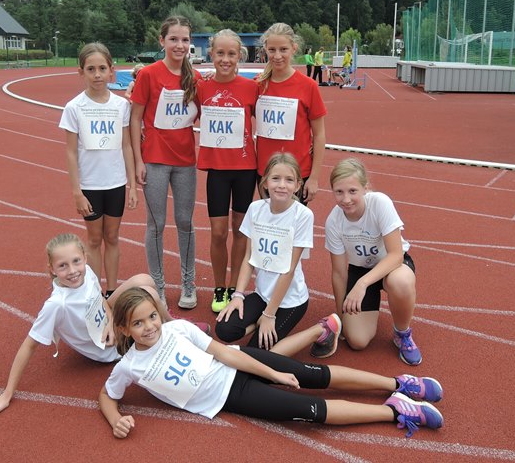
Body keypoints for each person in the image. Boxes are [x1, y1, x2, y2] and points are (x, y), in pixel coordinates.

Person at [99, 287, 444, 439]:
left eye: (151, 317)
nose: (149, 327)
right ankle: (395, 411)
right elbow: (106, 395)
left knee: (314, 375)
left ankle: (397, 384)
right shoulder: (129, 366)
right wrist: (116, 420)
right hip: (233, 397)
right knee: (311, 410)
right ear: (124, 329)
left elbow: (226, 353)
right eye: (138, 323)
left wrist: (274, 372)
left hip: (242, 363)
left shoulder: (177, 329)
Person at [0, 233, 170, 418]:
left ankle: (170, 323)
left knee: (144, 280)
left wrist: (110, 320)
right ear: (52, 269)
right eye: (63, 266)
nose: (72, 271)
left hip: (109, 324)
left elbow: (99, 299)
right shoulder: (57, 305)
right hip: (109, 348)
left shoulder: (87, 272)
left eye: (76, 261)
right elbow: (28, 346)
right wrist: (6, 394)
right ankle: (168, 330)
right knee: (150, 294)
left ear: (85, 259)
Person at [130, 16, 201, 309]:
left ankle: (188, 284)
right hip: (155, 160)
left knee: (185, 222)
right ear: (162, 41)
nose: (179, 45)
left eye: (184, 40)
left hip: (185, 161)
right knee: (156, 224)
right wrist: (138, 160)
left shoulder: (195, 78)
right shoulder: (148, 74)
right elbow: (135, 118)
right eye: (173, 39)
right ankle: (157, 287)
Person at [322, 158, 422, 365]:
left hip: (392, 266)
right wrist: (341, 316)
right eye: (339, 192)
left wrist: (362, 284)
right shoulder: (333, 221)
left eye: (352, 191)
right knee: (357, 341)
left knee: (401, 282)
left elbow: (396, 255)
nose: (346, 199)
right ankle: (360, 315)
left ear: (365, 188)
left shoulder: (380, 203)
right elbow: (339, 273)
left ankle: (402, 333)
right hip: (360, 269)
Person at [59, 43, 138, 296]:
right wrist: (76, 192)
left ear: (111, 70)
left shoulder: (121, 105)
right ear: (80, 72)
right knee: (94, 239)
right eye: (91, 69)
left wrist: (132, 185)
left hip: (115, 183)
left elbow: (126, 145)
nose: (97, 74)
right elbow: (71, 152)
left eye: (102, 68)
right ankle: (93, 293)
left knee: (112, 237)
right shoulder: (74, 107)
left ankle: (111, 292)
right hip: (90, 186)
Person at [215, 153, 313, 350]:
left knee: (255, 354)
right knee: (224, 329)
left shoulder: (303, 215)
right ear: (265, 182)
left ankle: (321, 329)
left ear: (298, 185)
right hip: (262, 295)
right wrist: (238, 296)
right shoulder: (256, 209)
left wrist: (270, 314)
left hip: (289, 301)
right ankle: (258, 322)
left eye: (289, 180)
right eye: (276, 178)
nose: (282, 185)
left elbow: (289, 270)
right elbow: (248, 258)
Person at [196, 30, 258, 314]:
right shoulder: (201, 86)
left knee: (241, 231)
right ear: (211, 54)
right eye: (220, 53)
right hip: (217, 170)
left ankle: (235, 289)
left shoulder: (251, 87)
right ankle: (219, 287)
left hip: (245, 169)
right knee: (219, 233)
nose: (225, 59)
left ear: (239, 56)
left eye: (231, 54)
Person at [255, 23, 326, 204]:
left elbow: (319, 134)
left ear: (294, 48)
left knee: (294, 222)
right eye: (272, 50)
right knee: (269, 220)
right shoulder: (258, 85)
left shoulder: (309, 86)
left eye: (283, 49)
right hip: (266, 173)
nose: (277, 55)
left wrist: (314, 177)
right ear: (265, 49)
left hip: (297, 173)